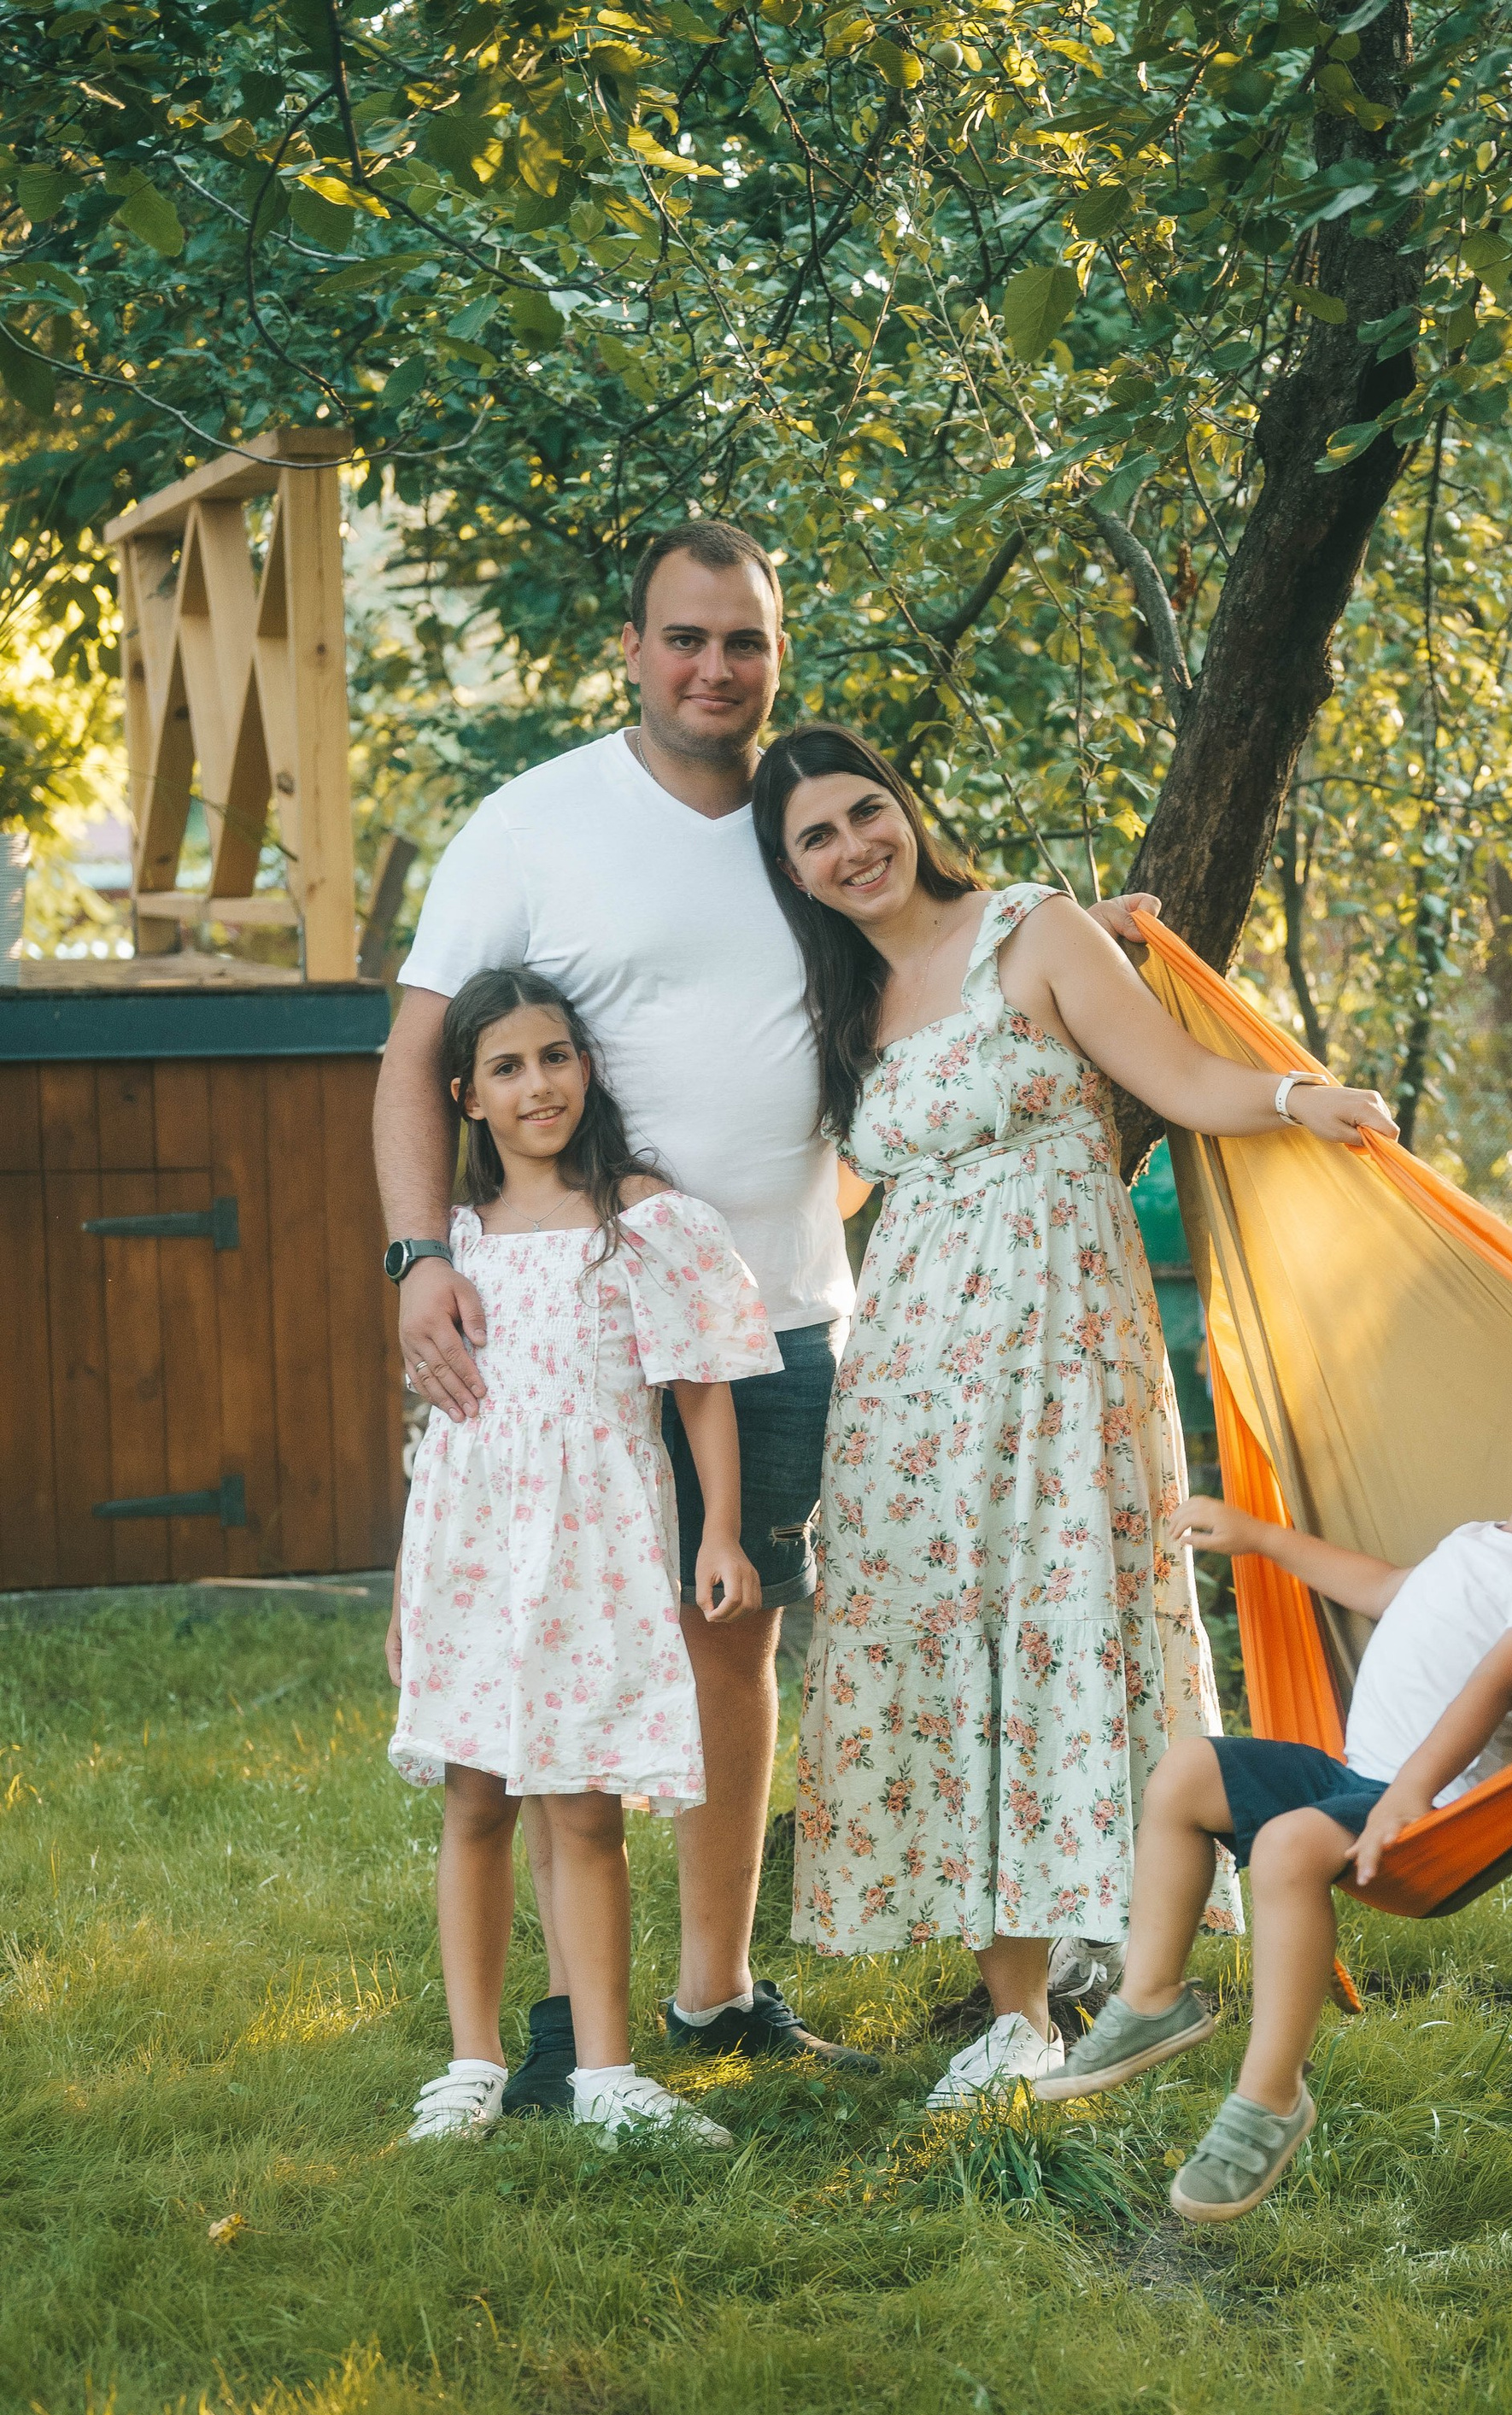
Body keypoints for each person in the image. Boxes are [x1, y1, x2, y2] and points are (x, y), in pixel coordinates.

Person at [373, 519, 1152, 2112]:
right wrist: (415, 1258)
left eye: (744, 640)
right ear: (634, 648)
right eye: (685, 638)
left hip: (780, 1308)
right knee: (556, 1632)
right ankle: (555, 2017)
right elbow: (416, 1055)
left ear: (774, 651)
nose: (714, 668)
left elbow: (941, 955)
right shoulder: (533, 825)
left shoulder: (811, 824)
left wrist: (1107, 947)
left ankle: (711, 1988)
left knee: (735, 1635)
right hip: (565, 1321)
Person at [750, 723, 1399, 2109]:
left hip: (1058, 1356)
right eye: (816, 836)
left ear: (907, 804)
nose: (853, 844)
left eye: (867, 809)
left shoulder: (1032, 930)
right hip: (913, 1375)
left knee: (1063, 1622)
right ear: (793, 870)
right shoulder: (844, 1005)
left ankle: (1117, 1960)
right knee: (952, 1642)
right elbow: (848, 1186)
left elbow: (1175, 1082)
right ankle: (1018, 2011)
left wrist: (1298, 1097)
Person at [1040, 1355, 1512, 2219]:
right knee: (1186, 1770)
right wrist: (1263, 1535)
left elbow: (1488, 1691)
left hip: (1436, 1806)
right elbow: (1387, 1590)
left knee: (1286, 1846)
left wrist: (1405, 1796)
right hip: (1359, 1773)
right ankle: (1151, 1998)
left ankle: (1269, 2096)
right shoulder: (1476, 1542)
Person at [389, 967, 780, 2146]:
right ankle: (472, 2066)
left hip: (597, 1547)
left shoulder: (640, 1220)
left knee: (587, 1809)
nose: (537, 1084)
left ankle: (607, 2076)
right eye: (506, 1067)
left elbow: (699, 1392)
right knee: (474, 1798)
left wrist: (718, 1532)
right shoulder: (452, 1248)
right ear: (466, 1097)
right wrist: (413, 1596)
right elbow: (440, 1428)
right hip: (468, 1545)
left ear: (587, 1068)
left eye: (554, 1057)